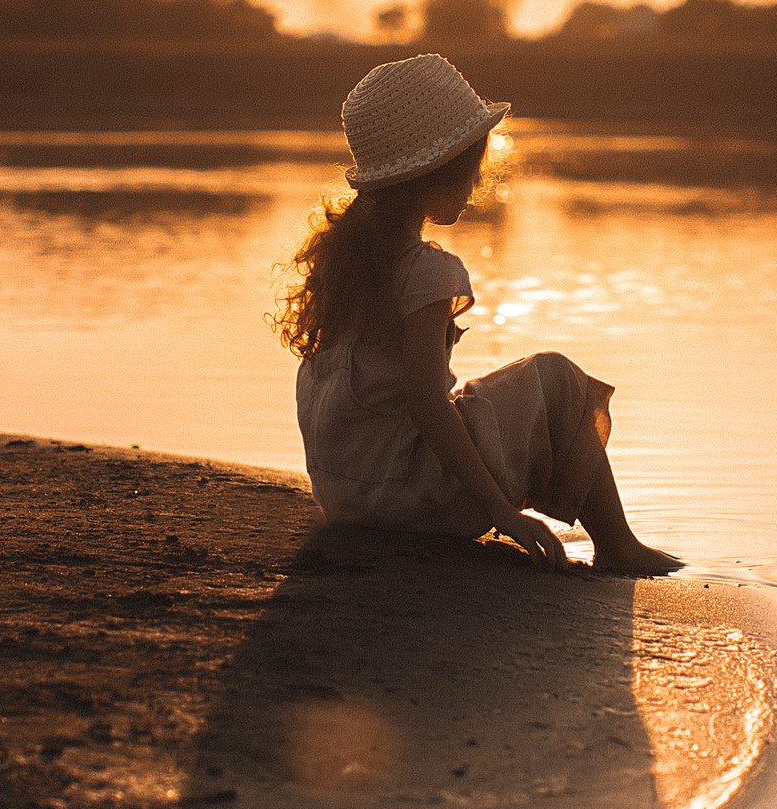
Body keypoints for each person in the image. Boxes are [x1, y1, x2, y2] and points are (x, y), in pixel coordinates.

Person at [275, 53, 683, 576]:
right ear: (440, 170)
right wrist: (503, 514)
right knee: (557, 379)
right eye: (473, 168)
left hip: (346, 492)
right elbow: (428, 405)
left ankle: (614, 539)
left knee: (492, 398)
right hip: (406, 496)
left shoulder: (348, 258)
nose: (476, 184)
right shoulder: (424, 270)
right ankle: (619, 545)